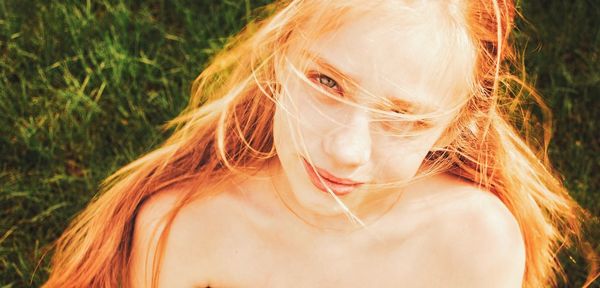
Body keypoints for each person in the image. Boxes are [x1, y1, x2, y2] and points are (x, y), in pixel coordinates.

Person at [42, 0, 591, 287]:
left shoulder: (476, 240)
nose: (347, 149)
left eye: (401, 118)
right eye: (327, 83)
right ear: (281, 59)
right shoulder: (184, 229)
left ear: (452, 129)